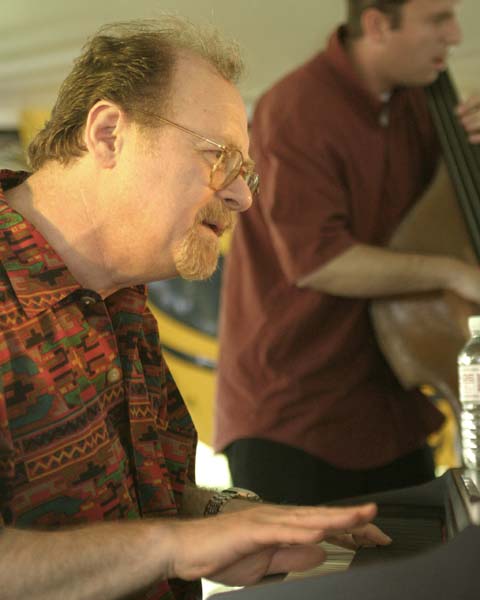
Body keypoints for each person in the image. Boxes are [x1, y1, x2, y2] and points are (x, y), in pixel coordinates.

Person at [0, 17, 391, 600]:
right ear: (108, 134)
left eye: (246, 172)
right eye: (220, 157)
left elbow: (142, 492)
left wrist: (229, 516)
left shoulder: (123, 297)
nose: (243, 197)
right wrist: (174, 547)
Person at [214, 0, 480, 506]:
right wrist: (456, 274)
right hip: (295, 415)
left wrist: (473, 151)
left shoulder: (422, 104)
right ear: (377, 25)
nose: (455, 35)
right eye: (437, 19)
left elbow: (447, 216)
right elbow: (320, 262)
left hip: (389, 409)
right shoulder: (296, 108)